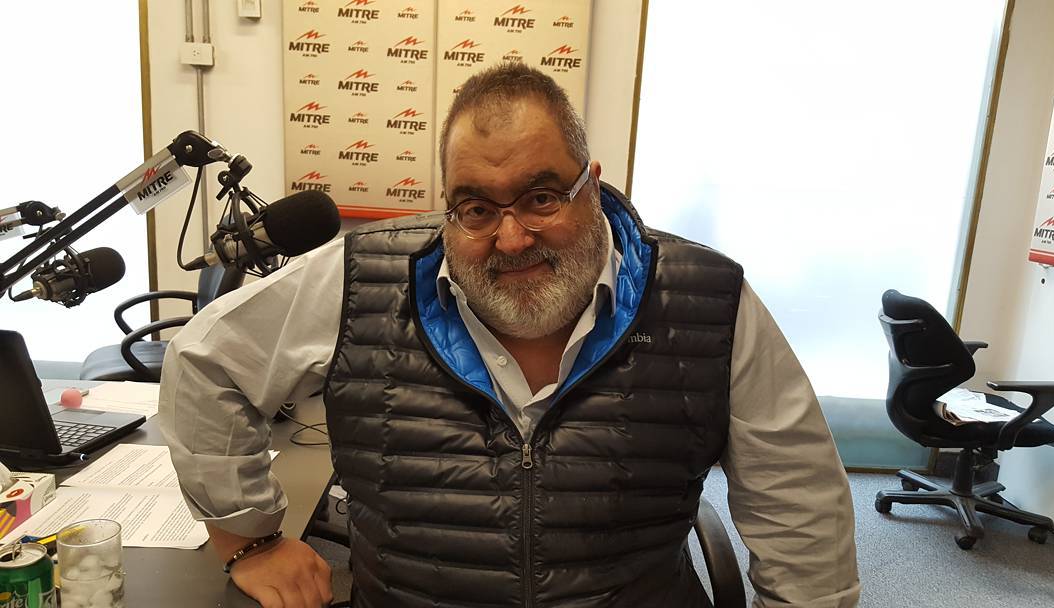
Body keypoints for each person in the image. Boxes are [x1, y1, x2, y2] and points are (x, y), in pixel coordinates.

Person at [160, 63, 860, 608]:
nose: (512, 236)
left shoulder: (709, 301)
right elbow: (205, 364)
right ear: (448, 208)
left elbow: (801, 513)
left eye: (542, 197)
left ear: (592, 184)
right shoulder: (359, 277)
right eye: (475, 208)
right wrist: (248, 538)